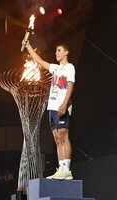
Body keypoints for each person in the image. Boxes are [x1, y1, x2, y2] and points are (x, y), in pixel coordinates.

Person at [24, 40, 75, 180]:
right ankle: (61, 168)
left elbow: (70, 86)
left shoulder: (69, 67)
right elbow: (39, 61)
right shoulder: (55, 68)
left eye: (59, 50)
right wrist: (28, 46)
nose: (56, 53)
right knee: (57, 138)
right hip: (52, 107)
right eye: (56, 51)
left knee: (64, 135)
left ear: (66, 52)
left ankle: (67, 169)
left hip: (61, 105)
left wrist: (64, 104)